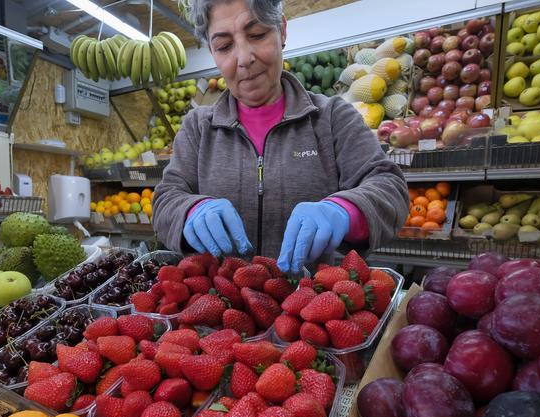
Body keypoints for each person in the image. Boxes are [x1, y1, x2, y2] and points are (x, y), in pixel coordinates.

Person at [153, 0, 409, 273]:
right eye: (225, 46)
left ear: (282, 30)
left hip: (308, 306)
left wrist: (344, 211)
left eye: (257, 34)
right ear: (213, 53)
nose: (244, 58)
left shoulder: (332, 118)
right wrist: (191, 211)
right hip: (222, 306)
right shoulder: (198, 127)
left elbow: (388, 186)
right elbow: (166, 199)